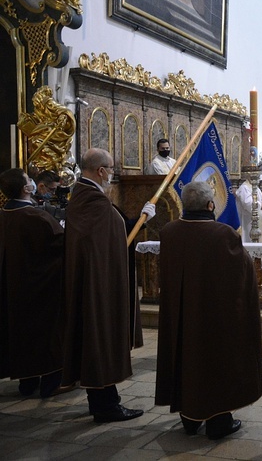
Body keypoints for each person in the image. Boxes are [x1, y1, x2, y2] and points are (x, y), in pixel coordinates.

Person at [156, 181, 262, 440]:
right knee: (216, 360)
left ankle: (189, 418)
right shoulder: (222, 234)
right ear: (210, 205)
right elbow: (243, 275)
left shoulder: (169, 232)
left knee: (184, 355)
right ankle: (219, 420)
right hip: (213, 315)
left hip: (181, 313)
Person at [62, 148, 156, 423]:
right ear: (101, 170)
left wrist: (137, 219)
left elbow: (110, 235)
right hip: (98, 285)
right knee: (99, 338)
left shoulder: (82, 195)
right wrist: (140, 220)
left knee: (94, 340)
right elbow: (112, 238)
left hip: (90, 279)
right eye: (111, 168)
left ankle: (102, 400)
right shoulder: (93, 201)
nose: (112, 173)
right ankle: (106, 406)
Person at [0, 169, 66, 398]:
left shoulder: (4, 214)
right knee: (49, 335)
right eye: (29, 180)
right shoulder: (35, 217)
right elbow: (61, 244)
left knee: (23, 335)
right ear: (26, 189)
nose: (33, 183)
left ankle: (27, 383)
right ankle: (51, 384)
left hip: (14, 288)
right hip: (42, 287)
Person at [235, 179, 262, 243]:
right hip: (249, 222)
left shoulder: (254, 186)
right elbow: (249, 205)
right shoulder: (244, 188)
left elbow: (261, 199)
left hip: (259, 218)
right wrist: (260, 204)